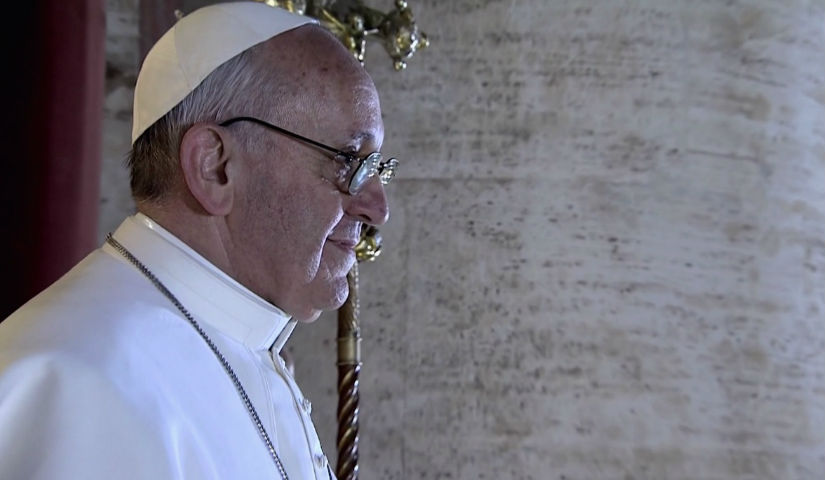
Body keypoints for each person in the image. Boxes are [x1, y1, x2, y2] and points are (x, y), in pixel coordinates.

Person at [0, 2, 396, 479]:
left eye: (378, 168)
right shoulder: (78, 384)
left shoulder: (245, 346)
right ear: (215, 167)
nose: (377, 208)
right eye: (349, 161)